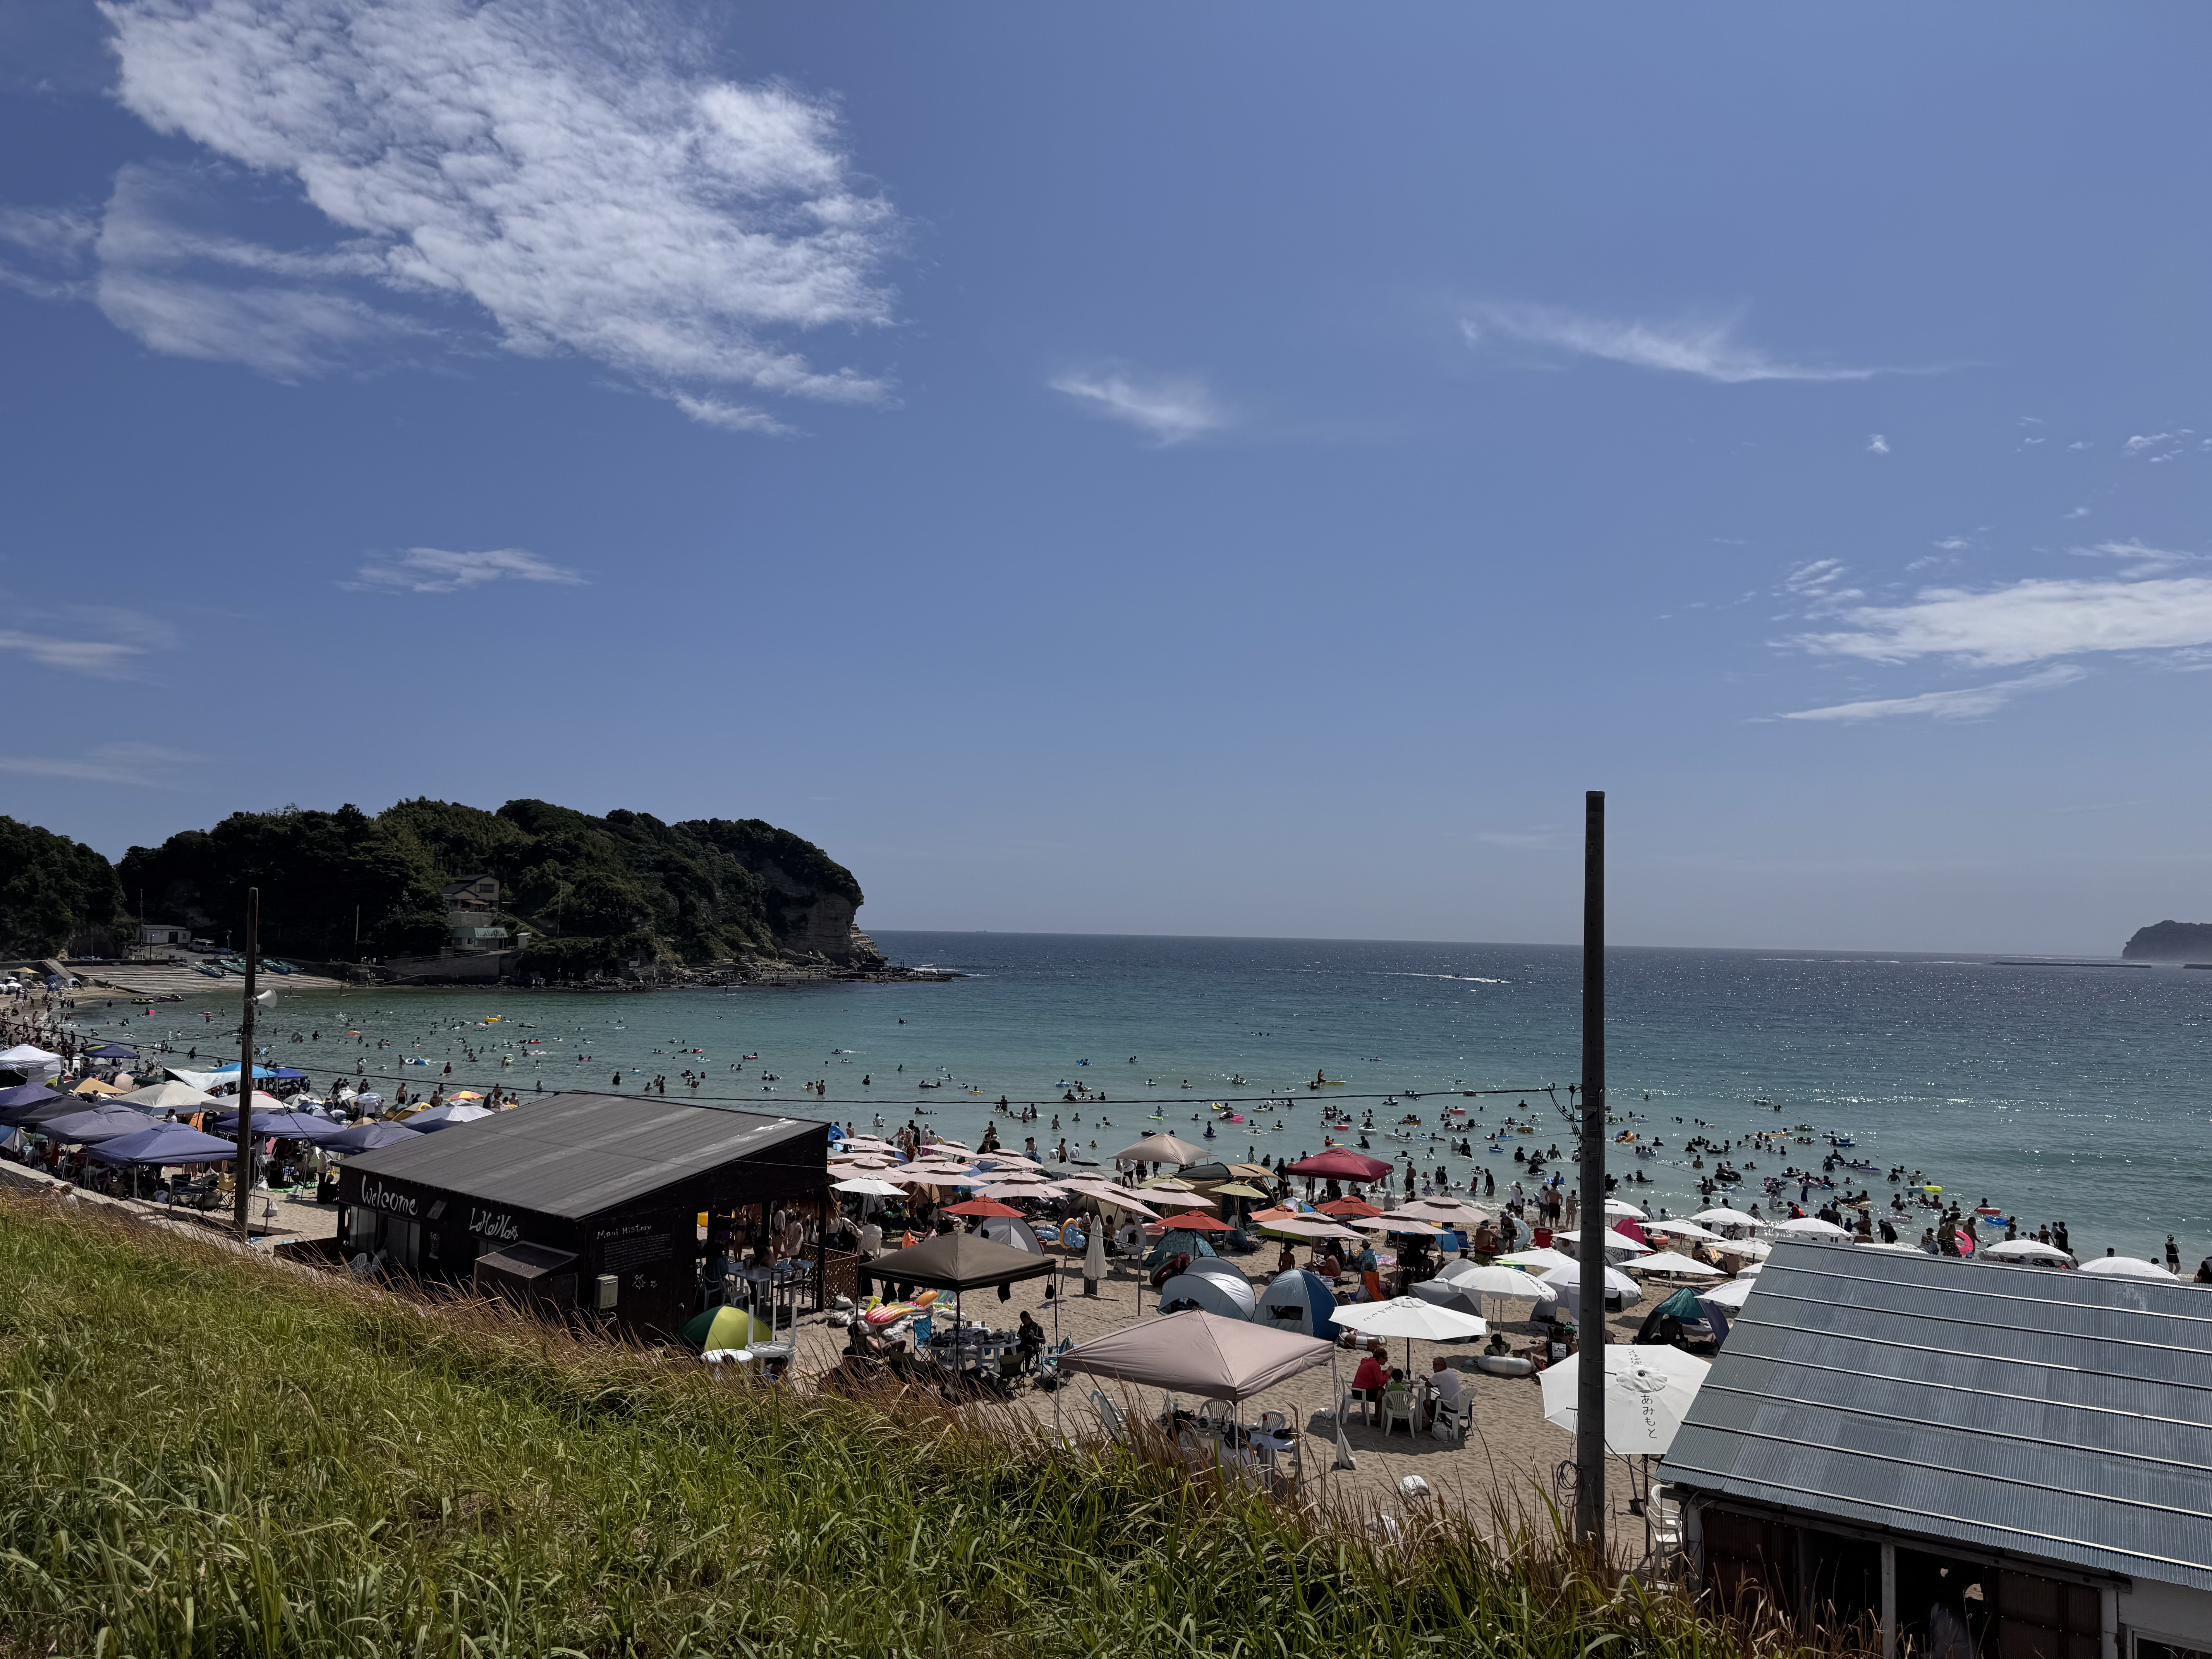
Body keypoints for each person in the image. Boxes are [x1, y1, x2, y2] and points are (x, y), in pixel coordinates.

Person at [1349, 1340, 1389, 1422]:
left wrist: (1384, 1372)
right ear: (1380, 1358)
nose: (1387, 1360)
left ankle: (1377, 1415)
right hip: (1361, 1393)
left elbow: (1373, 1374)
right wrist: (1389, 1373)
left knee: (1381, 1390)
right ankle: (1379, 1417)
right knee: (1383, 1393)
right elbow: (1382, 1382)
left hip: (1356, 1390)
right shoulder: (1376, 1365)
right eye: (1386, 1358)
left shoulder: (1370, 1361)